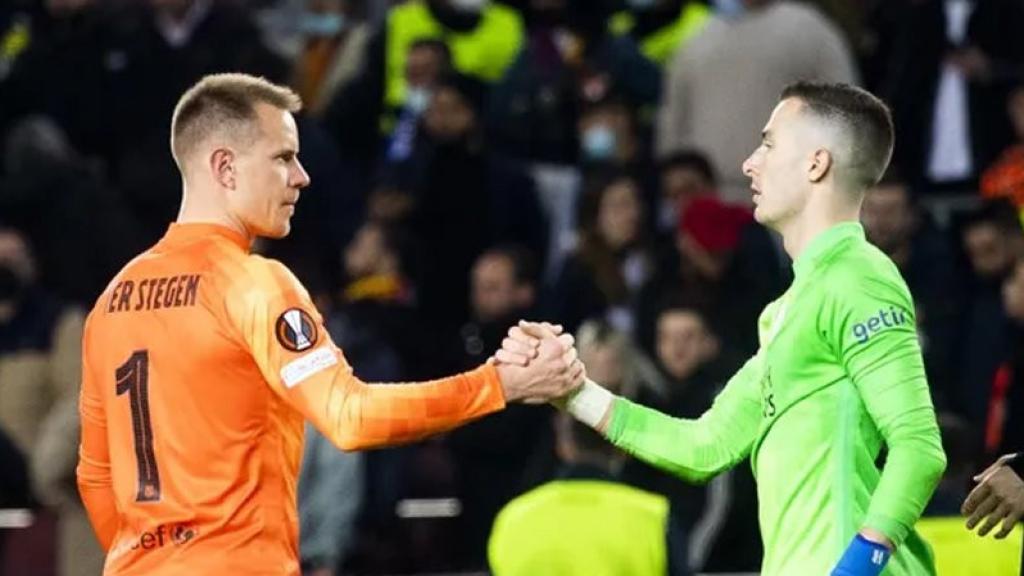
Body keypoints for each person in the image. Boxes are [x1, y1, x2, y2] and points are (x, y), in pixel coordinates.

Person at [75, 73, 583, 576]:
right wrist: (499, 384)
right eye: (282, 158)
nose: (301, 176)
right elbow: (349, 416)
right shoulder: (252, 283)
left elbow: (96, 476)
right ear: (225, 167)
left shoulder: (112, 298)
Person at [500, 82, 947, 575]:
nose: (749, 163)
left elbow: (919, 448)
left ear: (816, 164)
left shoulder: (859, 277)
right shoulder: (789, 308)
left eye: (770, 144)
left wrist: (857, 567)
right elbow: (704, 446)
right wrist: (574, 391)